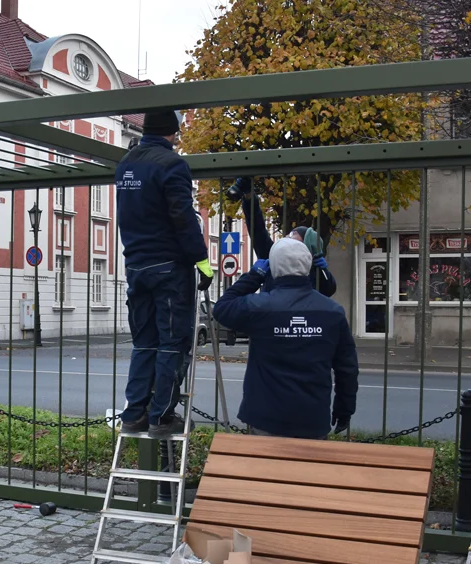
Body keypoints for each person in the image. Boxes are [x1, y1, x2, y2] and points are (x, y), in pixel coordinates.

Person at [115, 109, 213, 439]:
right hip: (169, 268)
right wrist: (202, 261)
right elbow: (182, 217)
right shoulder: (172, 165)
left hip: (136, 267)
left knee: (144, 343)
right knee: (173, 341)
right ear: (173, 133)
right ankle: (161, 417)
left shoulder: (126, 164)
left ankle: (134, 414)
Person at [214, 238, 357, 439]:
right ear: (308, 266)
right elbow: (347, 368)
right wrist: (344, 409)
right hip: (312, 418)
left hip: (266, 417)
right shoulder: (332, 312)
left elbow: (221, 308)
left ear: (274, 267)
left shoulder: (260, 307)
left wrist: (255, 276)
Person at [227, 176, 337, 297]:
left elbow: (329, 289)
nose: (287, 237)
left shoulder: (313, 275)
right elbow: (257, 228)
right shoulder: (272, 258)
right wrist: (249, 197)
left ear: (305, 247)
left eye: (293, 235)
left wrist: (323, 271)